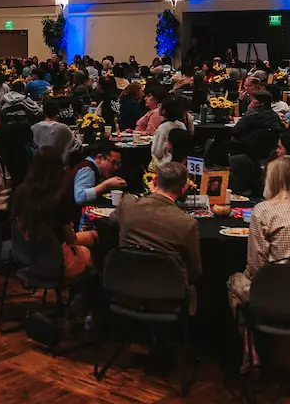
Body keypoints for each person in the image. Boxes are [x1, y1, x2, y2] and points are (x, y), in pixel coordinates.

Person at [227, 155, 290, 367]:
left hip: (276, 295)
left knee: (234, 282)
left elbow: (256, 267)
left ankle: (250, 347)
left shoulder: (264, 210)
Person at [115, 161, 201, 314]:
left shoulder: (127, 204)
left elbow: (112, 219)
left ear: (154, 181)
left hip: (125, 286)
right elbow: (195, 272)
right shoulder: (187, 223)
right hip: (169, 296)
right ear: (184, 189)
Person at [10, 148, 97, 278]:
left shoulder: (20, 192)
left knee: (90, 237)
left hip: (30, 254)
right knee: (93, 242)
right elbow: (69, 238)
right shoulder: (57, 200)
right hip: (56, 260)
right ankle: (84, 296)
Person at [67, 139, 125, 215]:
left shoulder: (89, 165)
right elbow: (80, 197)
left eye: (118, 164)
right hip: (70, 219)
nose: (115, 168)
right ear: (99, 158)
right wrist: (105, 185)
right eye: (113, 163)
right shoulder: (88, 170)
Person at [31, 96, 80, 168]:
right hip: (60, 167)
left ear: (43, 111)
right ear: (57, 112)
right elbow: (76, 146)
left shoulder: (33, 128)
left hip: (40, 167)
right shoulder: (63, 128)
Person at [232, 90, 282, 158]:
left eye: (254, 99)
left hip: (249, 148)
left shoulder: (252, 114)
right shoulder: (275, 116)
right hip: (268, 150)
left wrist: (249, 110)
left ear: (262, 103)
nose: (252, 101)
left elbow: (236, 131)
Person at [150, 97, 188, 168]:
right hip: (181, 163)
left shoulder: (163, 127)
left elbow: (157, 152)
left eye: (160, 105)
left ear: (164, 111)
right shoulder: (181, 125)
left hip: (165, 165)